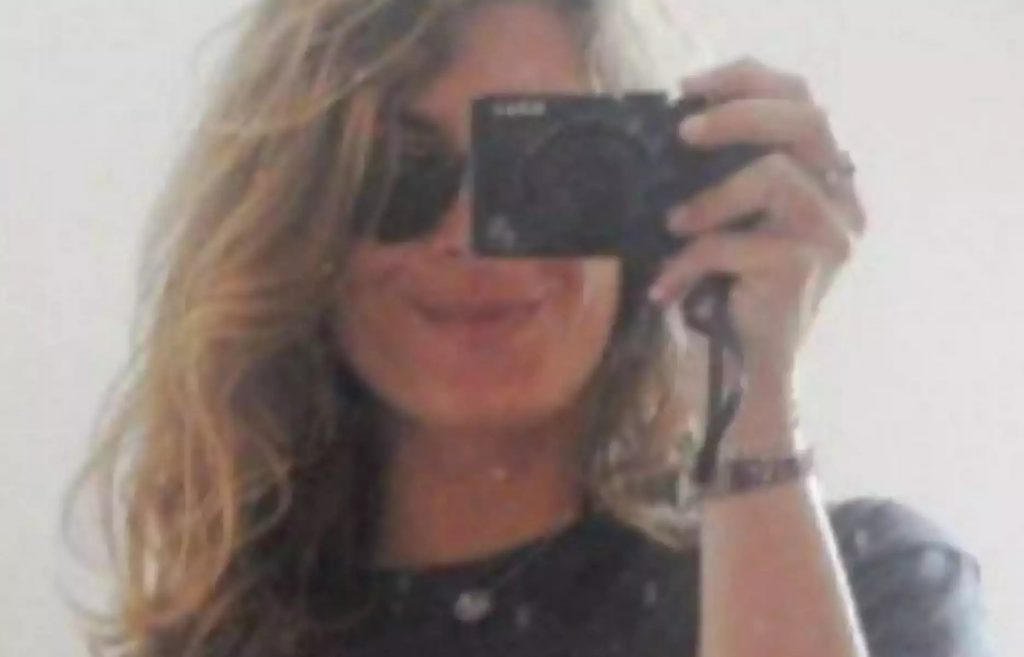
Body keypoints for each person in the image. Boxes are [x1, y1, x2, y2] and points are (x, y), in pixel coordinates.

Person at [65, 1, 998, 656]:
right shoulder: (222, 640)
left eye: (543, 176)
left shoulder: (867, 587)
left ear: (645, 206)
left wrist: (751, 412)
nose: (471, 237)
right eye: (400, 174)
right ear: (300, 224)